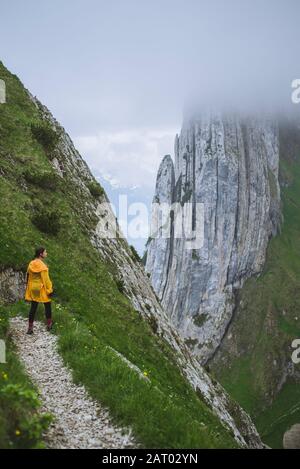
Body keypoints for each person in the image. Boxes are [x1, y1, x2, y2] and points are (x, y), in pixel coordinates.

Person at [24, 246, 54, 334]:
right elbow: (46, 280)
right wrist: (49, 289)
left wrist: (29, 288)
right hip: (41, 288)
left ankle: (30, 328)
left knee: (33, 307)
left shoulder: (31, 264)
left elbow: (28, 276)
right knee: (47, 304)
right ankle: (49, 325)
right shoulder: (42, 266)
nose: (46, 253)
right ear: (41, 254)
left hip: (33, 288)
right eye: (45, 252)